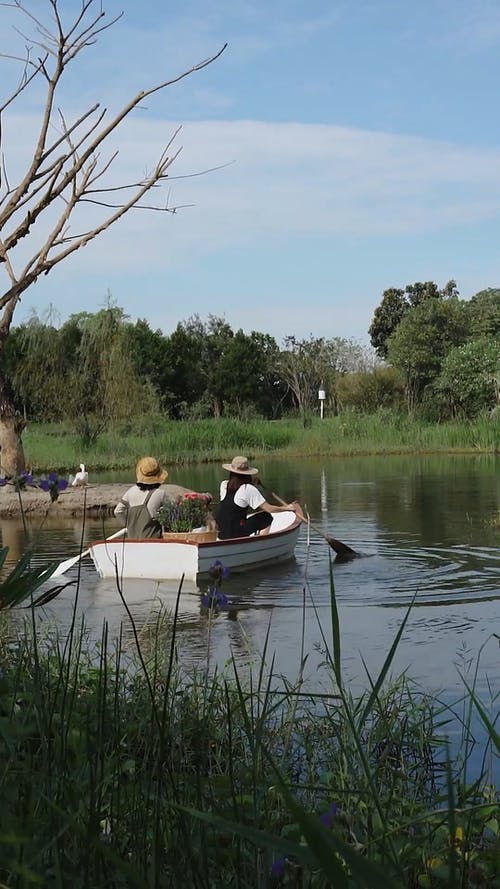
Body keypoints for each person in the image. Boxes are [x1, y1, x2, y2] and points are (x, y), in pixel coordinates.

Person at [216, 455, 300, 540]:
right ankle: (261, 542)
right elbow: (269, 509)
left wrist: (252, 482)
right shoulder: (248, 489)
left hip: (220, 532)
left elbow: (237, 486)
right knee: (266, 517)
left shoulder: (224, 485)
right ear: (247, 474)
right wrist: (286, 508)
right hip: (235, 533)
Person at [114, 456, 171, 538]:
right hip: (153, 542)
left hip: (133, 542)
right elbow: (171, 513)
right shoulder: (161, 494)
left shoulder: (130, 492)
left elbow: (117, 511)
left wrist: (129, 525)